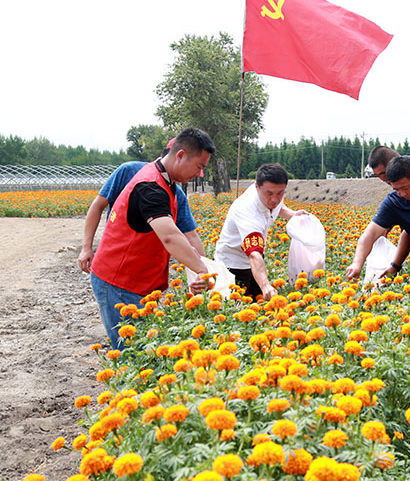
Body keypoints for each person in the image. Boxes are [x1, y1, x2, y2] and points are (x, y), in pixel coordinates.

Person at [90, 128, 216, 350]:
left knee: (143, 348)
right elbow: (169, 235)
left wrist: (199, 264)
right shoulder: (150, 186)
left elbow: (185, 234)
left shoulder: (167, 184)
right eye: (199, 166)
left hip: (138, 282)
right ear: (180, 155)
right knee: (133, 353)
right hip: (120, 283)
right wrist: (202, 269)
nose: (199, 174)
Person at [78, 143, 203, 273]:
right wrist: (86, 247)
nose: (194, 175)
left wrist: (207, 271)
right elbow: (97, 206)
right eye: (196, 167)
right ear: (177, 158)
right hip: (114, 262)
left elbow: (190, 235)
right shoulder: (128, 171)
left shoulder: (177, 195)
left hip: (146, 269)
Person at [214, 163, 307, 300]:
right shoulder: (247, 209)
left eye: (280, 193)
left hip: (256, 263)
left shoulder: (271, 195)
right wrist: (265, 286)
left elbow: (277, 207)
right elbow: (253, 253)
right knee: (238, 309)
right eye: (269, 193)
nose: (274, 199)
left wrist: (292, 214)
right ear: (257, 187)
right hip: (233, 266)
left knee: (260, 305)